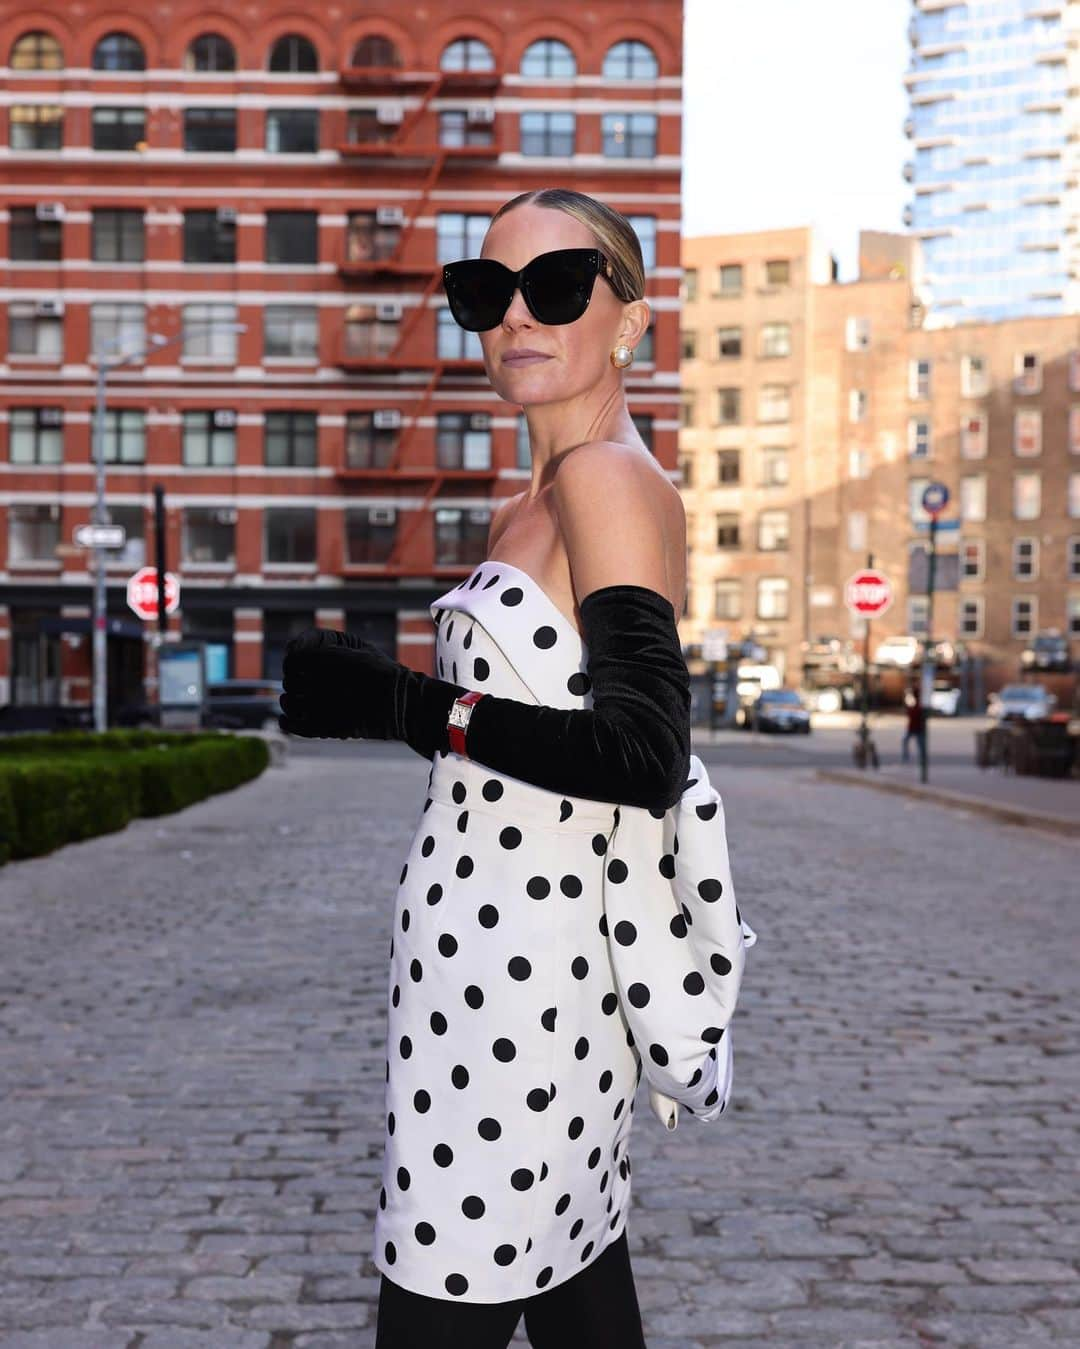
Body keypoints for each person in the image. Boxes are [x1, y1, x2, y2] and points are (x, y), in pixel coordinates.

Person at [279, 189, 697, 1347]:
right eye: (485, 290)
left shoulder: (605, 483)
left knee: (436, 1304)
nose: (515, 315)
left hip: (525, 995)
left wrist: (403, 703)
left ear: (629, 317)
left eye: (556, 286)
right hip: (482, 986)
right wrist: (403, 703)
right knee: (575, 1291)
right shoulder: (540, 495)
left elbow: (642, 751)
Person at [901, 683, 927, 771]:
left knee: (919, 744)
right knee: (917, 744)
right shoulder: (916, 704)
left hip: (916, 728)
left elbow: (911, 713)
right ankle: (909, 757)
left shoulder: (918, 705)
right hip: (914, 728)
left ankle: (921, 759)